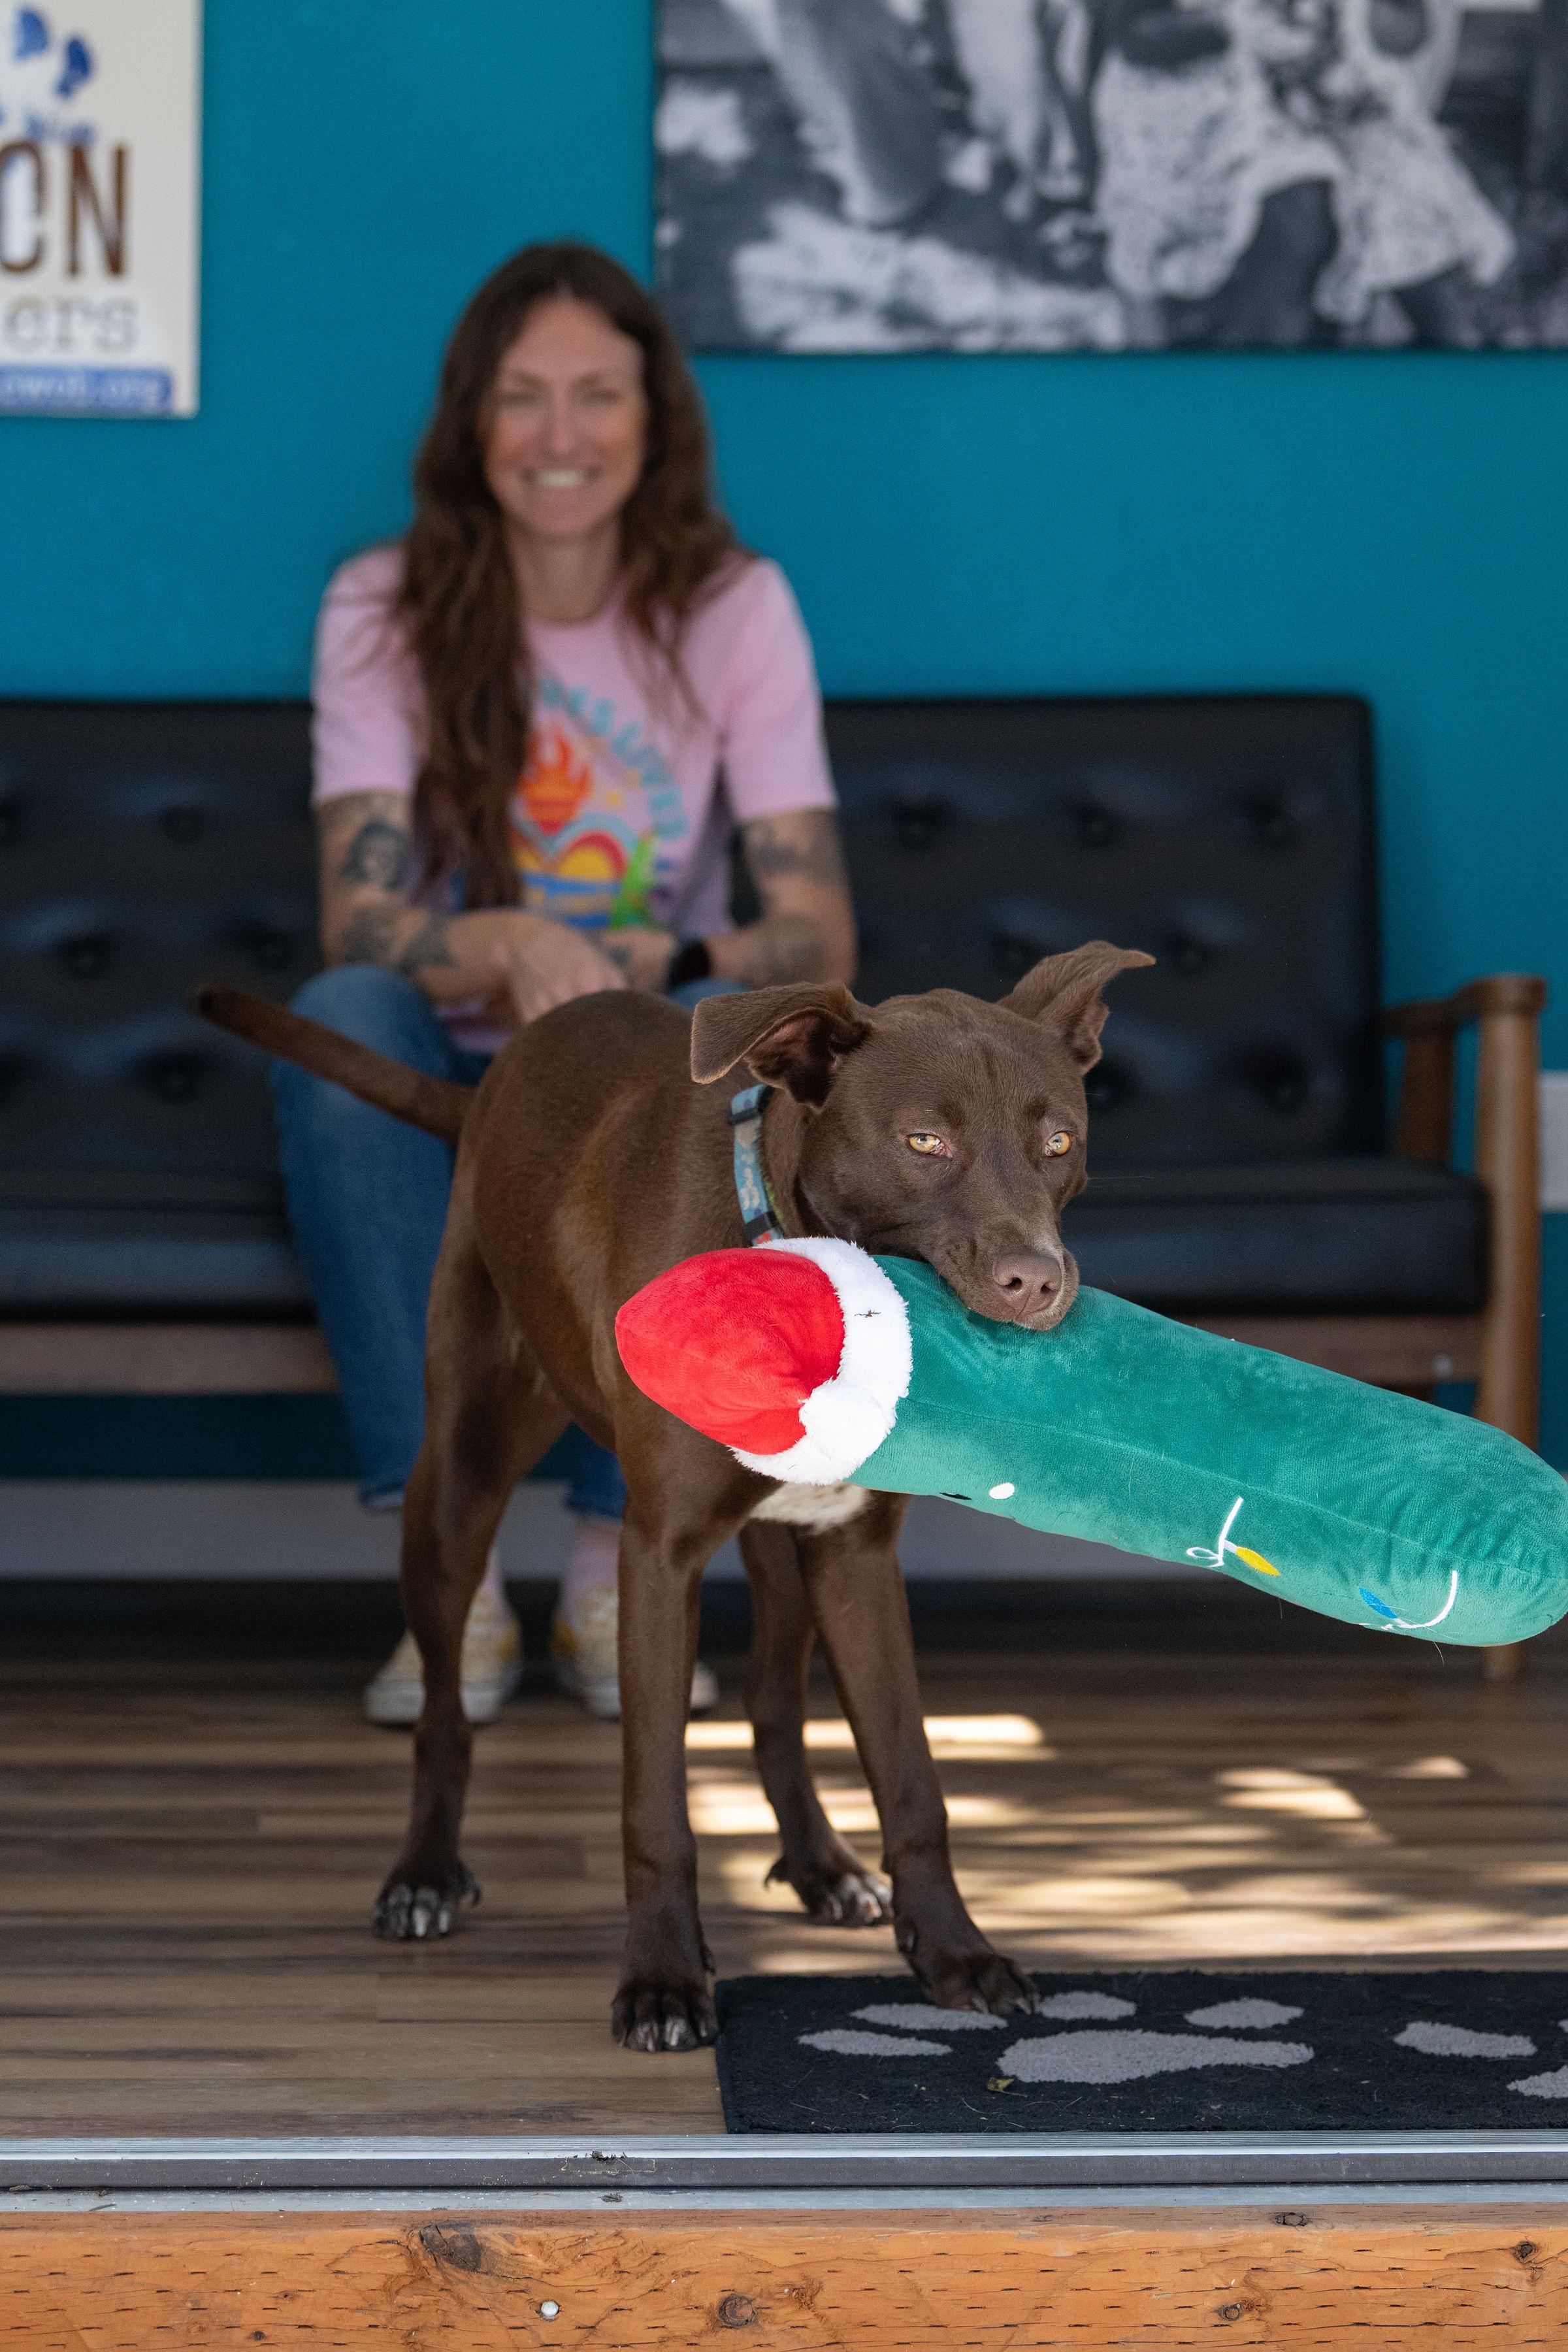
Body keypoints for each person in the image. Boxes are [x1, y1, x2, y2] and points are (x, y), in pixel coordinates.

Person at [272, 242, 856, 1727]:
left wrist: (651, 968)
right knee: (339, 1024)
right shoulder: (378, 603)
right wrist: (513, 940)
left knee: (684, 1063)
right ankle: (447, 1595)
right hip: (446, 1067)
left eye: (597, 395)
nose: (560, 436)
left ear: (653, 421)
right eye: (523, 398)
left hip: (635, 1059)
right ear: (473, 424)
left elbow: (816, 934)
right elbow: (358, 917)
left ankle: (614, 1574)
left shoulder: (735, 606)